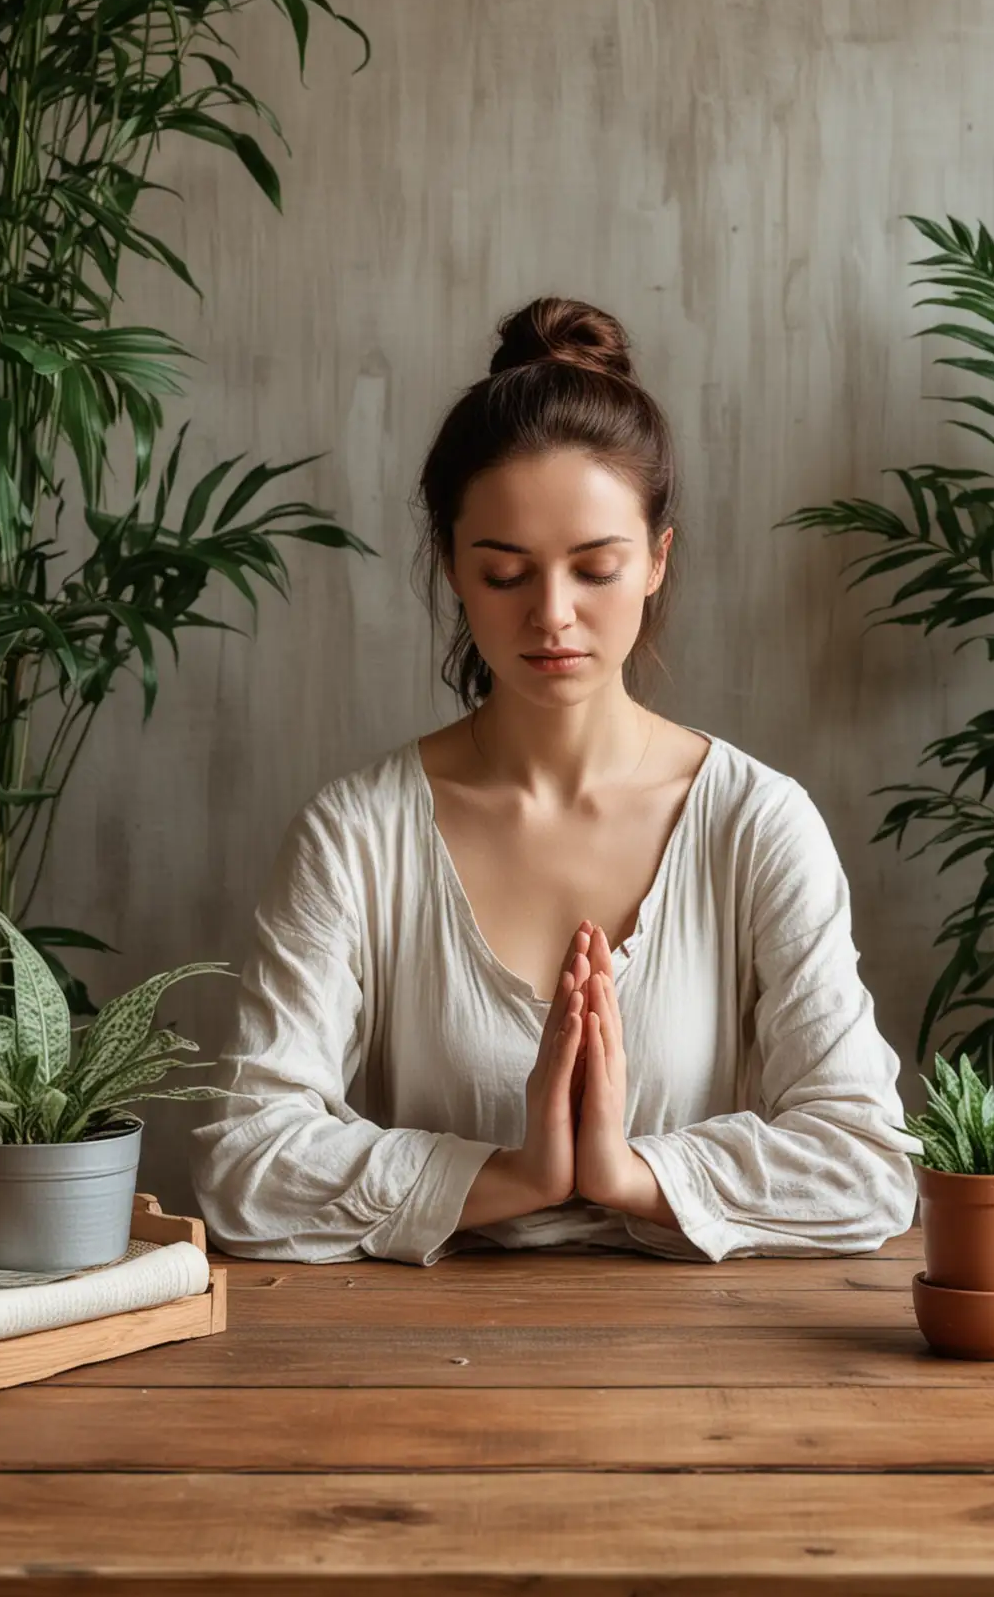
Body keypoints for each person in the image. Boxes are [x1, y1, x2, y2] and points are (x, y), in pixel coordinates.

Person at [190, 296, 921, 1265]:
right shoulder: (356, 831)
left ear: (657, 560)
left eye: (595, 568)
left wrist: (622, 1177)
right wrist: (514, 1180)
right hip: (408, 1367)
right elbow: (246, 1164)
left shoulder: (756, 821)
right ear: (452, 565)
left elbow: (867, 1166)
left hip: (712, 1375)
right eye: (505, 574)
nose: (553, 616)